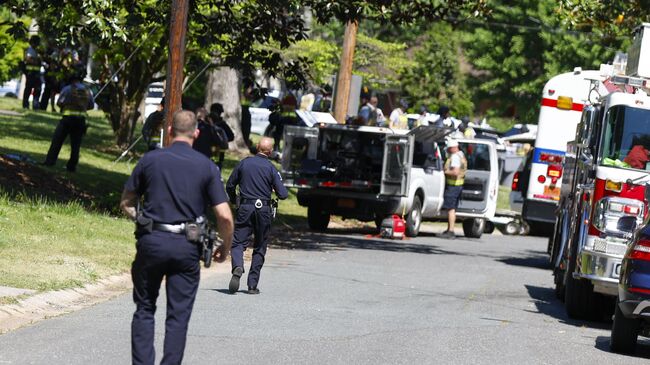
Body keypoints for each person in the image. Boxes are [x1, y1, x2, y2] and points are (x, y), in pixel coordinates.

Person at [119, 110, 234, 365]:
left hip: (152, 243)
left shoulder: (150, 160)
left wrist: (143, 220)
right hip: (187, 247)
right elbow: (225, 217)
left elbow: (127, 202)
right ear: (196, 133)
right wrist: (226, 248)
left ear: (169, 131)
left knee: (145, 308)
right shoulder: (207, 166)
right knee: (178, 316)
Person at [226, 137, 289, 294]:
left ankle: (238, 266)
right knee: (260, 245)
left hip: (245, 207)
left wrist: (235, 201)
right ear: (271, 151)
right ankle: (252, 285)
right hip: (263, 210)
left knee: (238, 242)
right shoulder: (271, 168)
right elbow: (283, 194)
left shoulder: (244, 163)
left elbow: (230, 185)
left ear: (256, 147)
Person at [42, 71, 93, 172]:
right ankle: (71, 167)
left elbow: (59, 102)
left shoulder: (67, 88)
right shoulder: (87, 90)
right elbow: (91, 105)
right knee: (76, 145)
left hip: (67, 119)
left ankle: (50, 161)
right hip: (80, 121)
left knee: (57, 141)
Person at [441, 139, 467, 239]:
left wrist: (444, 171)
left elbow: (455, 172)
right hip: (458, 185)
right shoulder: (461, 155)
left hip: (453, 186)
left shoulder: (455, 157)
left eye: (448, 149)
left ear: (452, 148)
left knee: (450, 209)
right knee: (452, 208)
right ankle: (449, 229)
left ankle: (450, 231)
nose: (447, 151)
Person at [22, 35, 42, 110]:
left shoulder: (37, 51)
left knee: (38, 89)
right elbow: (28, 59)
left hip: (36, 73)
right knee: (28, 89)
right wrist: (36, 60)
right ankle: (25, 105)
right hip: (30, 73)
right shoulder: (30, 50)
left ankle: (35, 105)